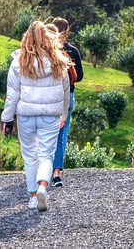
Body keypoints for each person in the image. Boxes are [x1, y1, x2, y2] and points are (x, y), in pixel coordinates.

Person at [1, 20, 71, 211]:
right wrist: (63, 114)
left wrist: (7, 119)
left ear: (26, 39)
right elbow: (66, 90)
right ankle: (42, 186)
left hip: (26, 115)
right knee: (46, 154)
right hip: (50, 115)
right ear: (48, 38)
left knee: (30, 155)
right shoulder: (58, 61)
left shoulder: (18, 62)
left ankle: (33, 196)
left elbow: (12, 94)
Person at [49, 16, 83, 187]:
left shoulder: (45, 51)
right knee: (61, 135)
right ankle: (56, 173)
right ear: (67, 32)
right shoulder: (73, 51)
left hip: (48, 97)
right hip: (67, 95)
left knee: (45, 133)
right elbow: (80, 76)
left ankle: (42, 169)